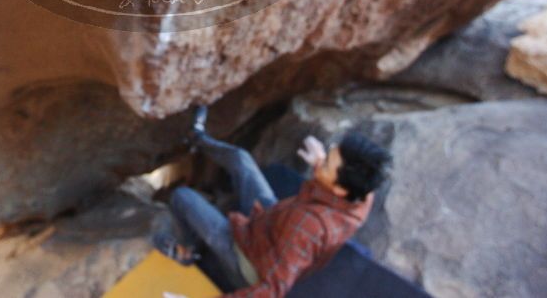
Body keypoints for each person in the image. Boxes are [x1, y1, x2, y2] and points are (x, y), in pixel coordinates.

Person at [156, 106, 392, 297]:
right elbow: (331, 190)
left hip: (252, 264)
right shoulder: (362, 194)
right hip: (273, 223)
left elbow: (272, 290)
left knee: (182, 198)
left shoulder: (308, 227)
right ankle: (196, 137)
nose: (321, 160)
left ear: (339, 189)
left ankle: (188, 252)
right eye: (329, 152)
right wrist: (321, 164)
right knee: (241, 160)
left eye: (328, 164)